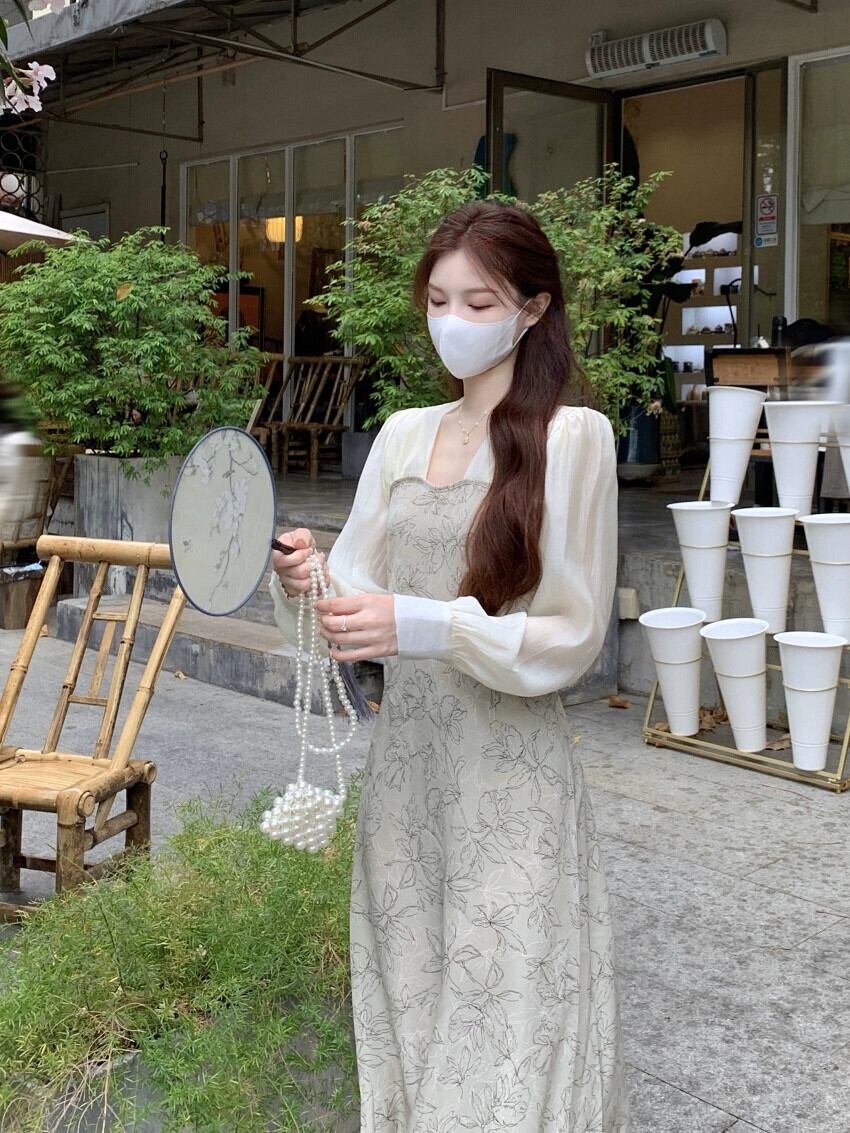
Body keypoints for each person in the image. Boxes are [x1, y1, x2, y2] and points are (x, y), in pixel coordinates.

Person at [270, 201, 627, 1132]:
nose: (453, 321)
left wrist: (424, 624)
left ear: (534, 308)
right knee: (413, 1004)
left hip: (513, 785)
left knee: (506, 1034)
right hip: (408, 780)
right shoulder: (401, 432)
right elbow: (357, 590)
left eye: (479, 301)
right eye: (438, 300)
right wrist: (308, 576)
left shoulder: (574, 437)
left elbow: (572, 633)